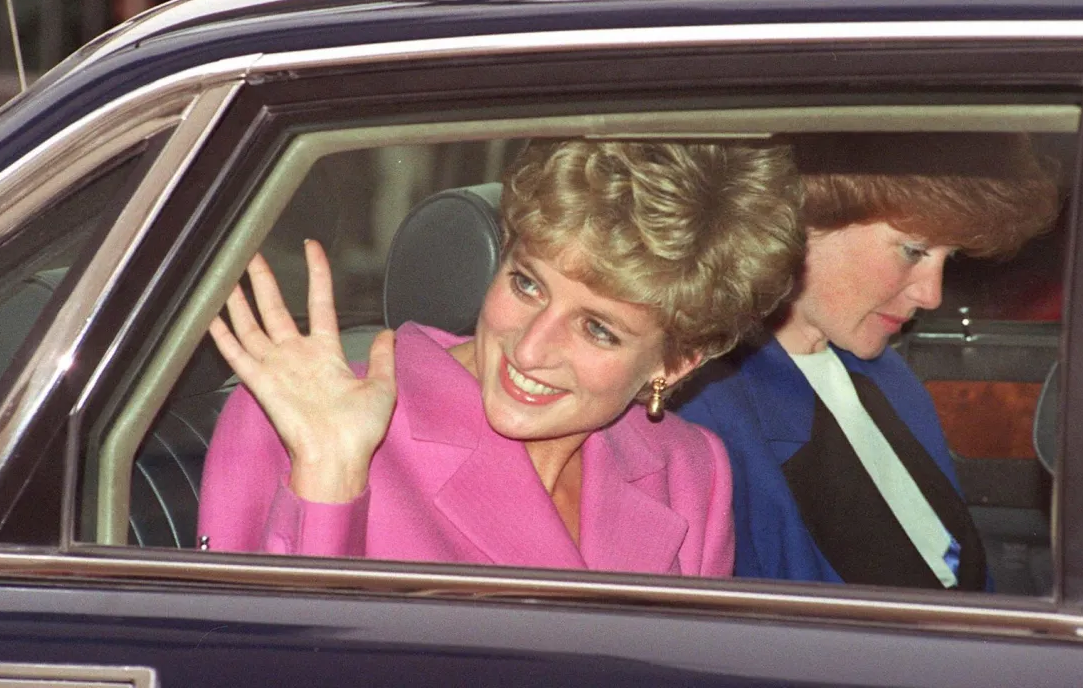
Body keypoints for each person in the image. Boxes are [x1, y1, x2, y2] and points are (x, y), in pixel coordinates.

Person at [197, 139, 803, 576]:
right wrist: (330, 476)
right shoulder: (295, 419)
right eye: (527, 285)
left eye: (597, 329)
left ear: (675, 364)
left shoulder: (689, 471)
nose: (530, 349)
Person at [676, 132, 1060, 590]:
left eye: (948, 256)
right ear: (802, 224)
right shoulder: (706, 416)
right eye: (913, 251)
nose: (931, 294)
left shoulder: (890, 377)